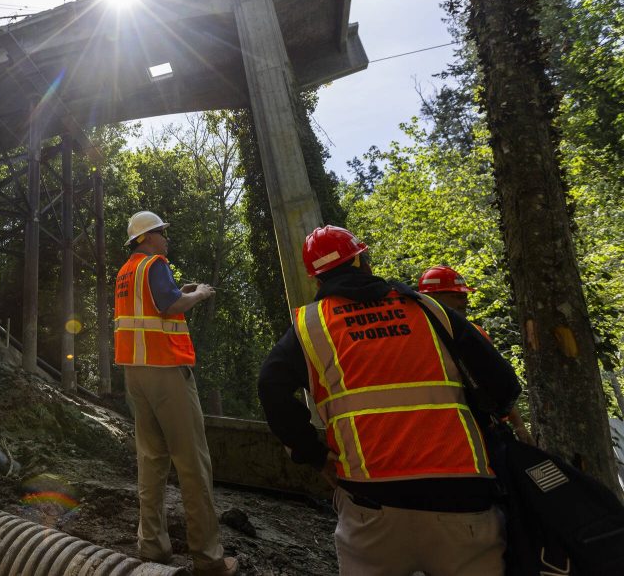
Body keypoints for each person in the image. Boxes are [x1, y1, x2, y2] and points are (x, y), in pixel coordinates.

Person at [258, 226, 522, 576]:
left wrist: (315, 455)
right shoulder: (427, 309)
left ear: (317, 280)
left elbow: (270, 386)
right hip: (463, 497)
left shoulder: (312, 324)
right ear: (362, 261)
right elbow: (503, 385)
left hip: (370, 503)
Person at [114, 210, 238, 576]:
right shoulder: (155, 263)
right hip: (167, 372)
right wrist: (198, 294)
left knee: (151, 461)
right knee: (192, 463)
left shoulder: (126, 272)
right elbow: (170, 306)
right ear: (149, 237)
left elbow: (155, 304)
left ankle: (152, 547)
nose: (166, 239)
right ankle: (209, 558)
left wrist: (178, 293)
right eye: (162, 233)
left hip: (135, 374)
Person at [418, 265, 533, 445]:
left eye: (464, 296)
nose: (464, 302)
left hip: (487, 429)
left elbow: (497, 382)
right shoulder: (419, 336)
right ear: (432, 298)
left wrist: (519, 426)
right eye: (456, 296)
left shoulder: (476, 333)